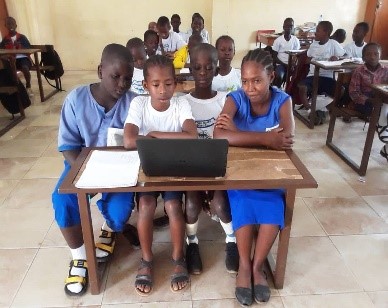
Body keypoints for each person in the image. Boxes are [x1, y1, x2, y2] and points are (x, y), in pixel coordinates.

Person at [52, 44, 138, 296]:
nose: (122, 84)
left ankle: (110, 227)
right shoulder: (76, 100)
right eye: (115, 76)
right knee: (62, 199)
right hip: (80, 165)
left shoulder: (134, 103)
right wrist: (89, 174)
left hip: (119, 171)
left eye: (128, 78)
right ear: (100, 71)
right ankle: (79, 257)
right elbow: (68, 147)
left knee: (120, 212)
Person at [214, 48, 294, 306]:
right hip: (241, 173)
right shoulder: (235, 98)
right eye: (245, 81)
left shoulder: (283, 101)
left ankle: (258, 266)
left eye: (257, 80)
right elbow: (219, 135)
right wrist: (265, 139)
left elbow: (286, 140)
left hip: (271, 175)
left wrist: (239, 134)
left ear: (271, 76)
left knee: (273, 211)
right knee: (243, 206)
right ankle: (245, 267)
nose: (250, 87)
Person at [123, 55, 198, 295]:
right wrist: (158, 137)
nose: (162, 90)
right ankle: (146, 259)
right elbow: (128, 140)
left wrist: (154, 135)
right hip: (147, 166)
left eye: (168, 84)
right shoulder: (139, 105)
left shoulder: (181, 104)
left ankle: (178, 257)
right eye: (155, 85)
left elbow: (192, 136)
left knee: (174, 205)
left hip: (174, 166)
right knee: (145, 205)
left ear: (175, 83)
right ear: (146, 86)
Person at [183, 43, 239, 275]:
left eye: (209, 67)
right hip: (193, 167)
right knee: (192, 204)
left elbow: (230, 136)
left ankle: (232, 240)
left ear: (217, 68)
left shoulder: (226, 100)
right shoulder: (183, 102)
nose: (203, 73)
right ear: (191, 70)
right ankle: (191, 243)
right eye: (197, 68)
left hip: (219, 165)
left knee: (221, 204)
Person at [297, 21, 345, 123]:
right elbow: (307, 58)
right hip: (313, 76)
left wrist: (337, 58)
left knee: (341, 90)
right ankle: (310, 108)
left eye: (318, 30)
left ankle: (324, 109)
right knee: (302, 87)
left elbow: (344, 55)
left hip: (327, 77)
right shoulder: (314, 45)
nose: (315, 32)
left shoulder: (333, 44)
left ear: (326, 32)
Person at [349, 43, 388, 124]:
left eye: (376, 54)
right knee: (376, 110)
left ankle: (382, 125)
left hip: (381, 98)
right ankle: (380, 125)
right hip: (365, 101)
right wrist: (371, 100)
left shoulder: (386, 70)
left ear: (380, 56)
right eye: (368, 54)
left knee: (383, 108)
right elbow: (354, 93)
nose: (373, 57)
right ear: (363, 58)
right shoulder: (359, 71)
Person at [0, 17, 33, 95]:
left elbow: (29, 49)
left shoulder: (22, 37)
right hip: (11, 60)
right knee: (7, 70)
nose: (10, 25)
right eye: (8, 24)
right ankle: (17, 87)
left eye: (12, 23)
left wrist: (20, 46)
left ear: (16, 25)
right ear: (5, 26)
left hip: (23, 58)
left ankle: (28, 86)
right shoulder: (5, 39)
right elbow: (1, 50)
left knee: (25, 68)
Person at [272, 18, 300, 88]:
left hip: (292, 65)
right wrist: (286, 65)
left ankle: (291, 93)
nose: (289, 28)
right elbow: (274, 57)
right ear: (283, 27)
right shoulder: (278, 41)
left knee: (299, 77)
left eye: (291, 26)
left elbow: (297, 55)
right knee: (279, 76)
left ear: (293, 27)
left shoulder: (295, 40)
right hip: (281, 64)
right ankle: (277, 91)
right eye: (287, 26)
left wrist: (293, 64)